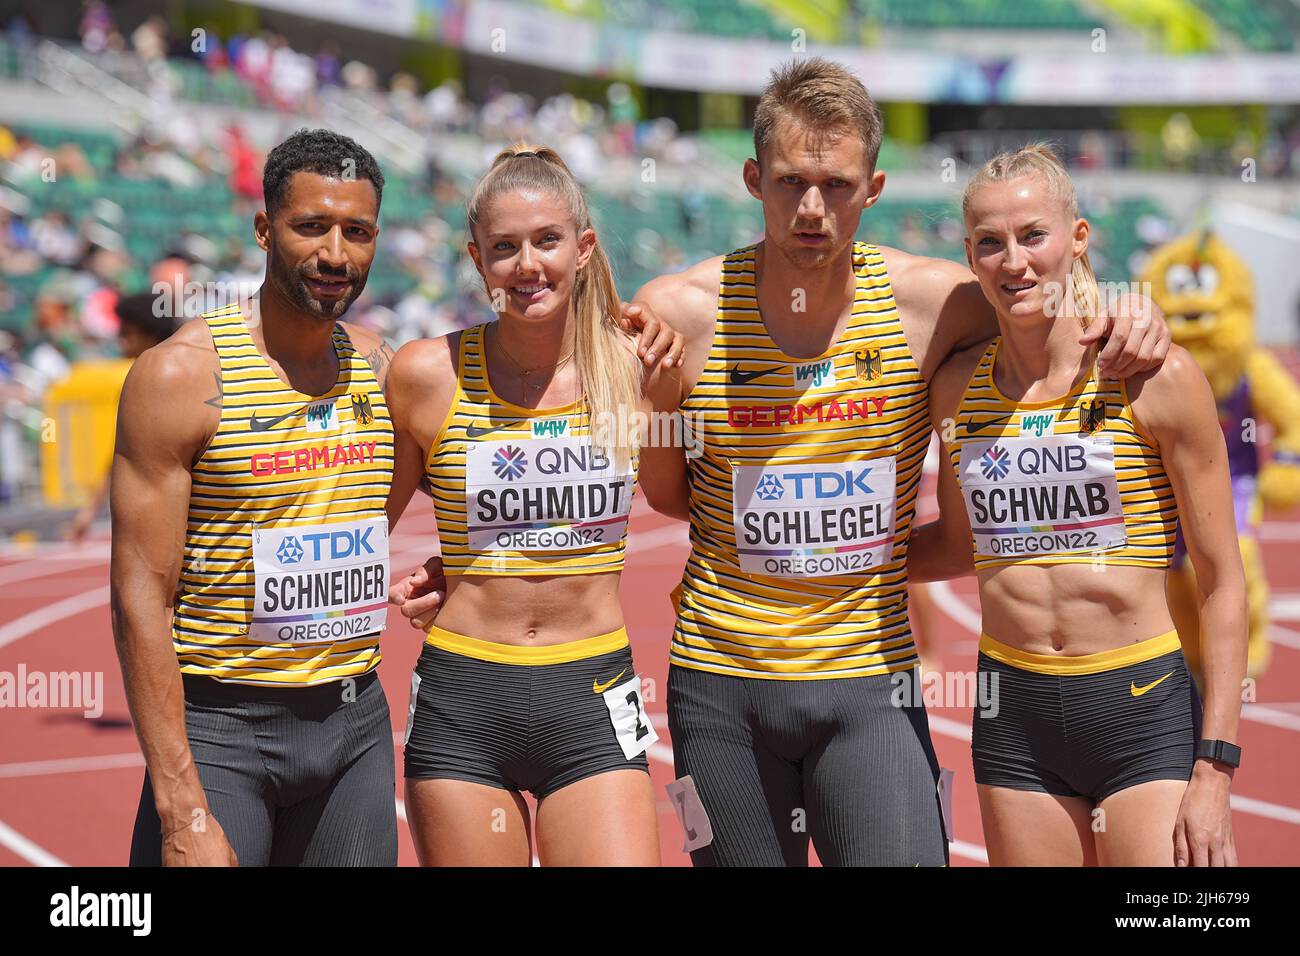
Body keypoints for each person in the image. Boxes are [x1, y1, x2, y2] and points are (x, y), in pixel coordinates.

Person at [910, 145, 1245, 866]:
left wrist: (1215, 768)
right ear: (970, 256)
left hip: (1141, 706)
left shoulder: (1157, 377)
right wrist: (800, 564)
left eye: (1034, 236)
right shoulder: (954, 390)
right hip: (1014, 714)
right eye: (991, 244)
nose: (1014, 262)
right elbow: (959, 545)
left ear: (1079, 238)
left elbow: (1221, 580)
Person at [384, 144, 683, 866]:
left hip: (593, 691)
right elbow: (364, 526)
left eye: (547, 242)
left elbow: (683, 503)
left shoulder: (639, 367)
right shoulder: (427, 373)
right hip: (465, 696)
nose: (527, 266)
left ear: (582, 248)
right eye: (504, 248)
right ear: (476, 258)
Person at [112, 128, 401, 866]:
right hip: (223, 733)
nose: (336, 254)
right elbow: (141, 592)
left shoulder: (379, 365)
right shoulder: (178, 378)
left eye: (357, 232)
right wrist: (180, 808)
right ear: (265, 228)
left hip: (353, 725)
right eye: (311, 227)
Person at [68, 292, 177, 540]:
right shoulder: (142, 377)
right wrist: (89, 510)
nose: (119, 341)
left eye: (126, 332)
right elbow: (124, 450)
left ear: (148, 333)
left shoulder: (164, 380)